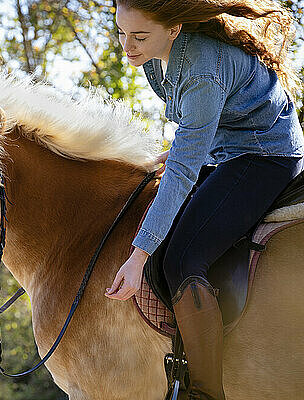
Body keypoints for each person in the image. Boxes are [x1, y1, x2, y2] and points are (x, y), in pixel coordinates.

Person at [103, 1, 304, 399]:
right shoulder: (151, 58)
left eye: (139, 36)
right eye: (121, 32)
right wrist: (177, 151)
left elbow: (182, 172)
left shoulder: (200, 69)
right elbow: (195, 129)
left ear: (175, 28)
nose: (128, 46)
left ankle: (207, 393)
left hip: (264, 155)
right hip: (225, 149)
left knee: (181, 259)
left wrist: (138, 255)